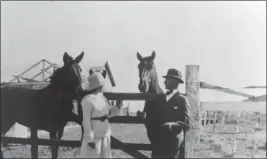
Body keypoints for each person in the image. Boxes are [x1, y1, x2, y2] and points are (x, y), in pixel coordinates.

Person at [77, 72, 122, 158]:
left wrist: (117, 107)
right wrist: (90, 139)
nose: (103, 86)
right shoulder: (87, 100)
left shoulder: (103, 98)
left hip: (105, 133)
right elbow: (86, 122)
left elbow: (108, 113)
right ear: (98, 86)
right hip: (95, 136)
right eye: (102, 84)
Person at [154, 68, 190, 158]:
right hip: (159, 140)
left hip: (173, 141)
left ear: (175, 82)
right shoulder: (161, 99)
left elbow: (186, 123)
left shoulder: (182, 99)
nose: (164, 82)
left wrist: (172, 124)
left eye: (167, 79)